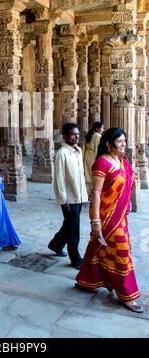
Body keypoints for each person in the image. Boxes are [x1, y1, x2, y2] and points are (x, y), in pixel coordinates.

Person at [75, 128, 144, 313]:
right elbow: (96, 193)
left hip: (120, 217)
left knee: (101, 250)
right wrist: (95, 220)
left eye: (124, 141)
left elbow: (128, 180)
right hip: (106, 218)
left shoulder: (122, 162)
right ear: (108, 144)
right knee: (122, 254)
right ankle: (127, 294)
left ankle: (87, 280)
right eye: (120, 141)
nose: (124, 144)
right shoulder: (102, 163)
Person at [48, 123, 88, 269]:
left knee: (69, 224)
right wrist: (63, 200)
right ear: (64, 136)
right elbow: (59, 179)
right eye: (72, 134)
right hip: (69, 198)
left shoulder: (78, 151)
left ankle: (55, 244)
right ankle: (75, 258)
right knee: (73, 229)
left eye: (77, 134)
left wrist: (85, 193)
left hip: (78, 195)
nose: (76, 136)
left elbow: (79, 175)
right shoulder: (62, 153)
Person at [83, 122, 105, 196]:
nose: (102, 129)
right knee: (93, 175)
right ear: (97, 128)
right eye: (101, 128)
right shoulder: (98, 136)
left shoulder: (88, 135)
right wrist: (97, 160)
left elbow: (84, 148)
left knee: (87, 174)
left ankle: (87, 192)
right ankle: (92, 193)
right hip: (93, 157)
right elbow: (97, 149)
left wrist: (82, 158)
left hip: (87, 156)